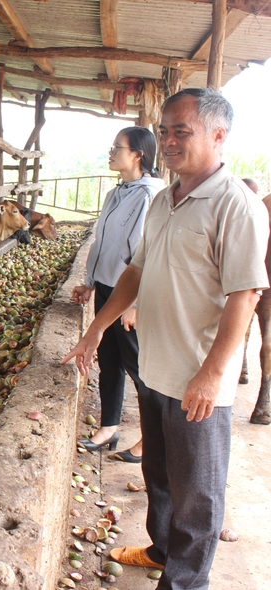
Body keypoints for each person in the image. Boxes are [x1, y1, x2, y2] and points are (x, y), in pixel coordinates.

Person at [63, 87, 269, 590]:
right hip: (156, 368)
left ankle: (184, 582)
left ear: (219, 137)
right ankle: (160, 549)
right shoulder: (163, 200)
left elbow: (245, 297)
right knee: (158, 474)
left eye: (183, 131)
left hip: (198, 381)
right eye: (164, 131)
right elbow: (135, 272)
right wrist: (96, 328)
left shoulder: (235, 206)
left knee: (198, 495)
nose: (170, 141)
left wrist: (213, 375)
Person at [71, 127, 163, 463]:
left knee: (139, 368)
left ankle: (152, 438)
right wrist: (91, 282)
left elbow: (144, 253)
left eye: (117, 148)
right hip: (109, 288)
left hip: (131, 294)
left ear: (137, 154)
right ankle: (109, 427)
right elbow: (103, 243)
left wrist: (135, 304)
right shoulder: (117, 192)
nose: (111, 153)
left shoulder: (149, 195)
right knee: (109, 360)